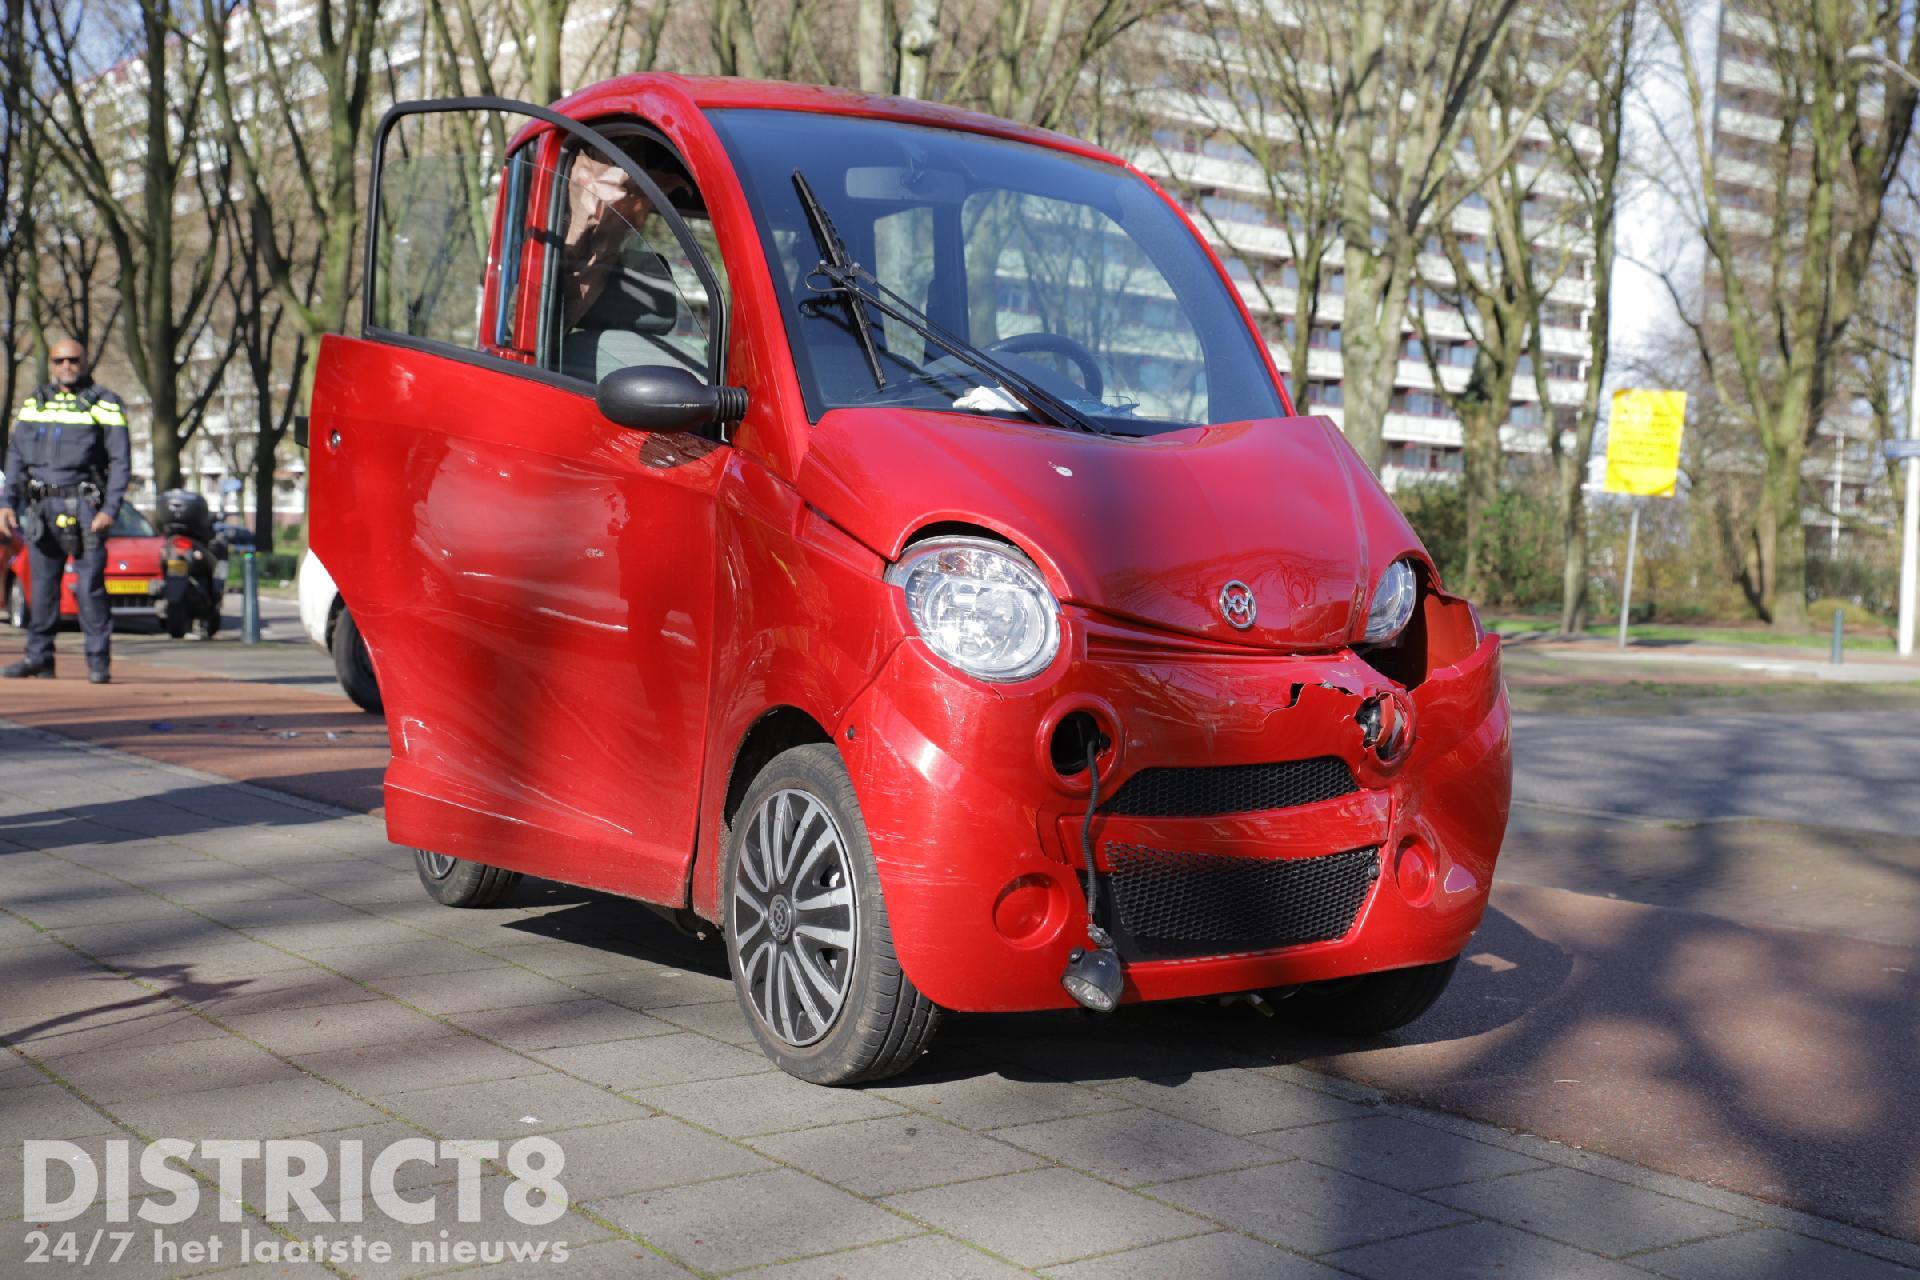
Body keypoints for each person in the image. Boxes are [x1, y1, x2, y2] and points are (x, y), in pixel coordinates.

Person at [0, 337, 132, 683]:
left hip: (86, 506)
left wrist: (111, 508)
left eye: (73, 360)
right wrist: (6, 503)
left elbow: (120, 461)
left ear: (84, 362)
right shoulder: (35, 403)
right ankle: (38, 658)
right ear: (51, 364)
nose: (66, 367)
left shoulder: (103, 403)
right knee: (42, 588)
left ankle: (98, 662)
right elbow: (14, 457)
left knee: (90, 588)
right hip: (41, 507)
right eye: (59, 361)